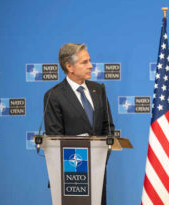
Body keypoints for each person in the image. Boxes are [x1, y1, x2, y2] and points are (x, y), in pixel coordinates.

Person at [44, 43, 114, 205]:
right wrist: (81, 162)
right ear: (69, 66)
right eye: (84, 62)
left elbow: (108, 127)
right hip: (70, 175)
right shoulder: (53, 96)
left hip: (97, 172)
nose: (91, 66)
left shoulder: (99, 90)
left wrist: (99, 160)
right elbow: (55, 138)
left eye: (89, 60)